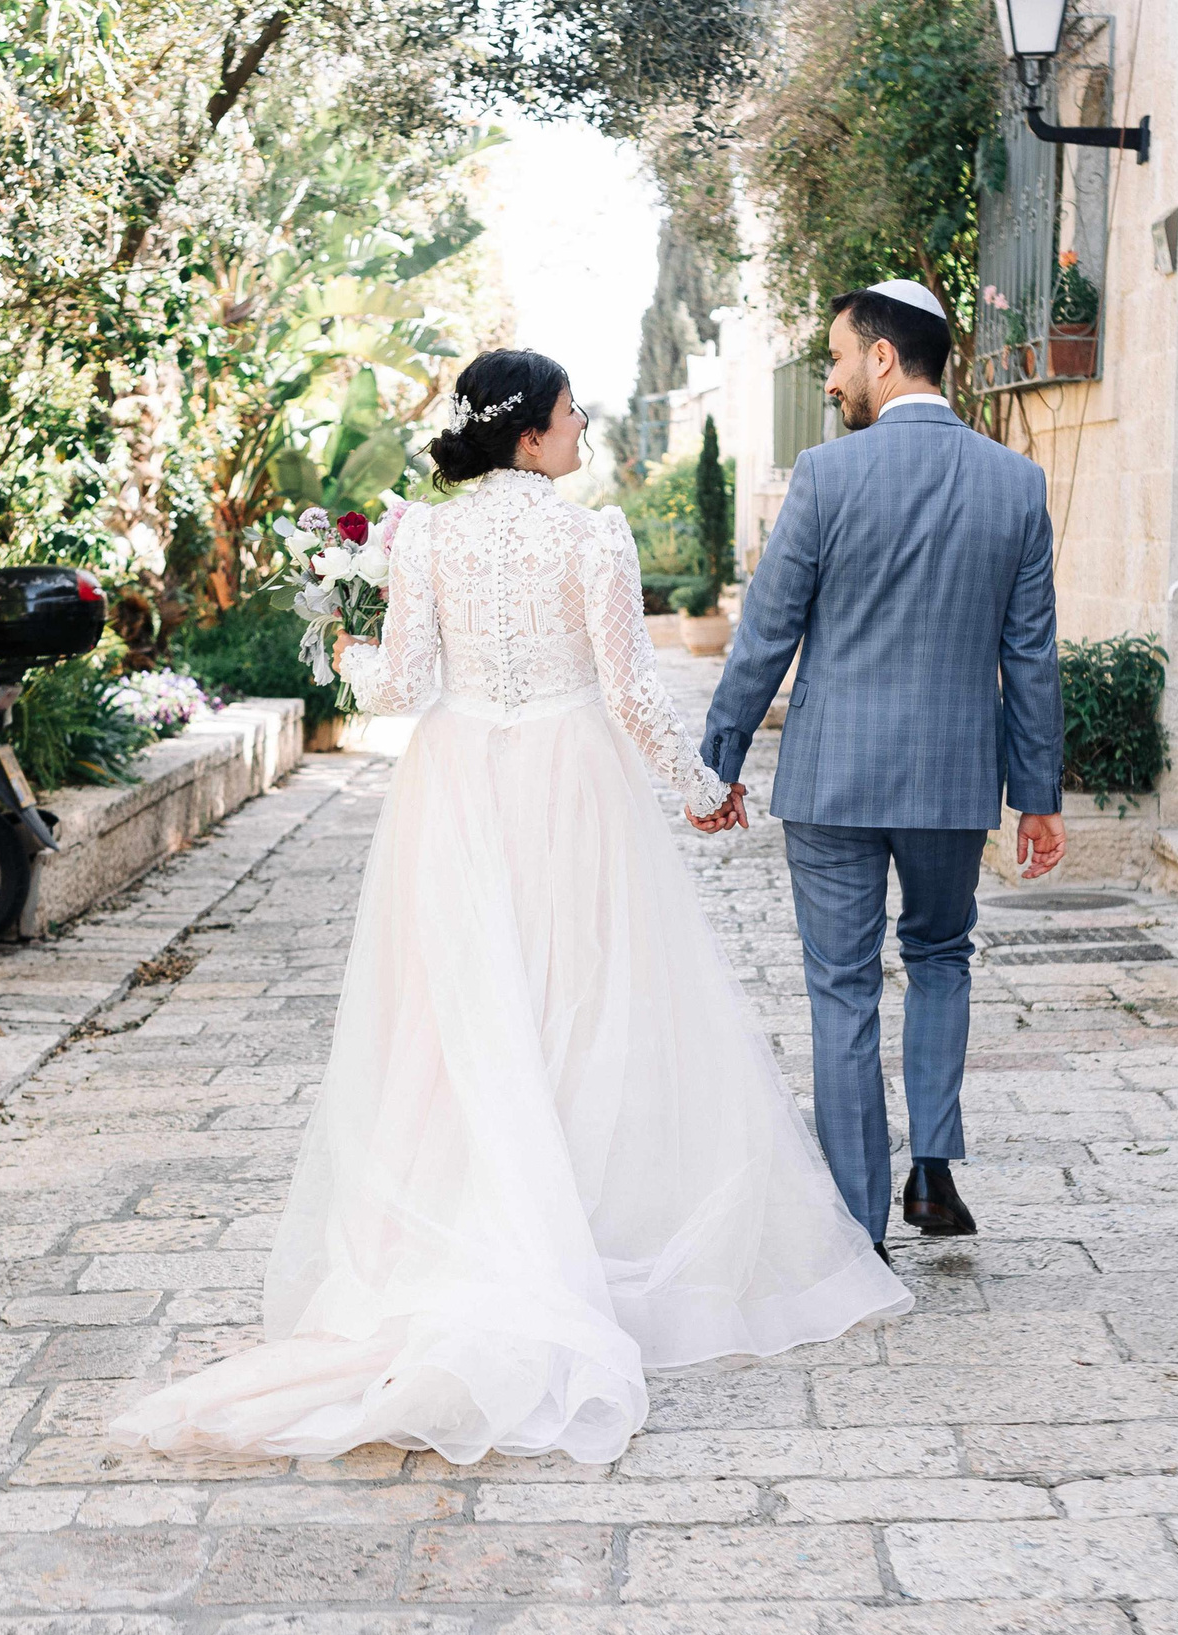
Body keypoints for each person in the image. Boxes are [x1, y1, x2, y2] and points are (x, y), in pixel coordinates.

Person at [109, 349, 910, 1468]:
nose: (585, 426)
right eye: (574, 411)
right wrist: (701, 794)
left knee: (467, 1010)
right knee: (583, 998)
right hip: (572, 782)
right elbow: (630, 686)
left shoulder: (425, 535)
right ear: (531, 430)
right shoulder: (593, 536)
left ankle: (480, 1217)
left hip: (459, 787)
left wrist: (337, 644)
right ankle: (584, 1229)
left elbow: (399, 688)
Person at [700, 280, 1065, 1253]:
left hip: (834, 780)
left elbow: (767, 632)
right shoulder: (1015, 482)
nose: (831, 377)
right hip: (953, 779)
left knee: (842, 986)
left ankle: (860, 1222)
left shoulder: (826, 476)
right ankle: (933, 1169)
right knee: (942, 956)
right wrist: (1036, 795)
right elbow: (1029, 654)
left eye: (837, 356)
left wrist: (718, 761)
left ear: (884, 358)